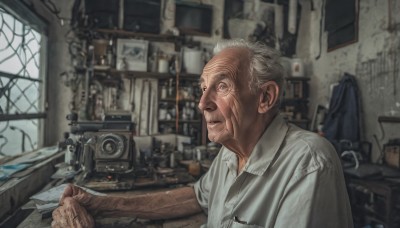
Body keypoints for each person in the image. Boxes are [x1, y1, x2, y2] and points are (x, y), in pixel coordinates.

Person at [52, 39, 353, 228]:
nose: (202, 103)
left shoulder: (308, 164)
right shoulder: (230, 152)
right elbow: (196, 198)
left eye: (222, 86)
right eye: (202, 88)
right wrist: (101, 203)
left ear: (265, 98)